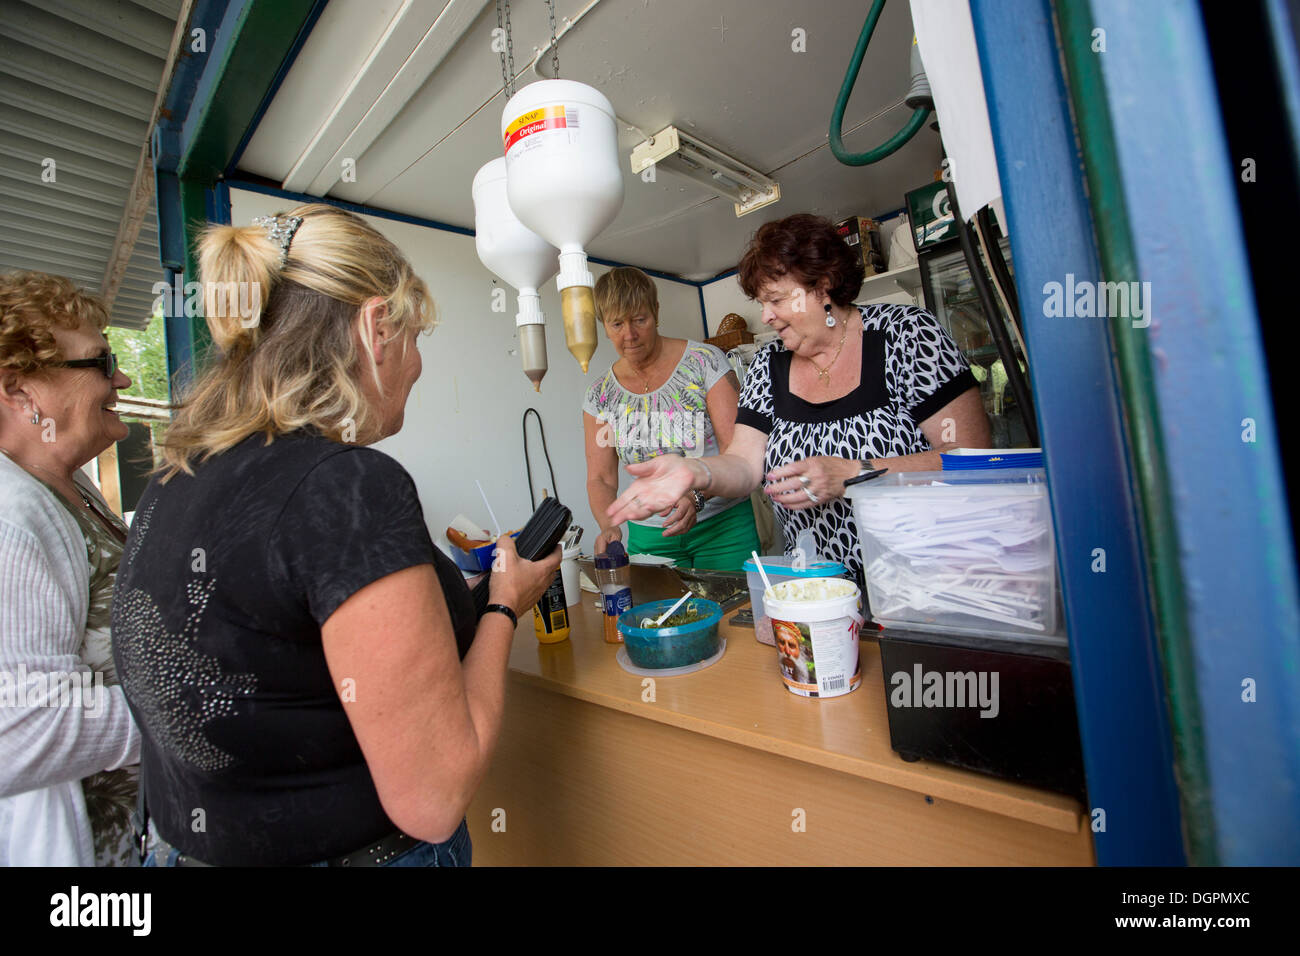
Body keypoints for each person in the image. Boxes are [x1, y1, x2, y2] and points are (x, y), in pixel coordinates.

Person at [110, 204, 559, 867]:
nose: (418, 367)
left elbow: (284, 649)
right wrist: (502, 606)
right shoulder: (349, 485)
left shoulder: (176, 478)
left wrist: (454, 600)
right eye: (418, 337)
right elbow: (434, 798)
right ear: (377, 328)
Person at [605, 213, 991, 591]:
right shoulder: (768, 366)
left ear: (822, 287)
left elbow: (973, 457)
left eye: (775, 299)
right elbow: (743, 463)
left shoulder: (907, 336)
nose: (765, 315)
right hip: (815, 591)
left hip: (922, 582)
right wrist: (695, 471)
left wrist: (853, 473)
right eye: (761, 301)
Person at [0, 270, 141, 866]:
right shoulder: (10, 515)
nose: (123, 378)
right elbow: (21, 728)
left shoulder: (67, 486)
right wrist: (187, 703)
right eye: (101, 362)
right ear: (21, 389)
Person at [583, 267, 760, 570]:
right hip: (650, 537)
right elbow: (600, 478)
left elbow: (739, 454)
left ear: (656, 312)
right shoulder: (600, 395)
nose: (630, 335)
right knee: (660, 617)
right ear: (604, 325)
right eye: (616, 324)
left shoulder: (705, 362)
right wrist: (608, 524)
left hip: (723, 525)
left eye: (640, 319)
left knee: (736, 615)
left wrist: (695, 495)